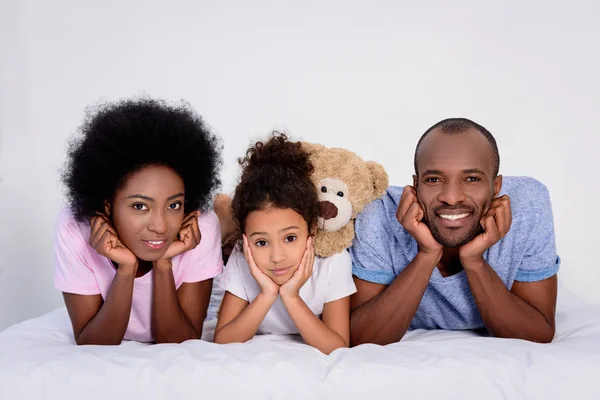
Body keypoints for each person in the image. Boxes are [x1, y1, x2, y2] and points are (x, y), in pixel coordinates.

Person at [350, 118, 559, 345]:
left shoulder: (527, 204)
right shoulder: (380, 212)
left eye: (471, 179)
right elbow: (360, 337)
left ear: (496, 187)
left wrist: (474, 261)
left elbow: (539, 332)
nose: (451, 197)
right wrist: (427, 254)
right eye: (434, 179)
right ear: (415, 186)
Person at [55, 97, 223, 345]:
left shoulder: (200, 225)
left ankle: (227, 211)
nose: (161, 226)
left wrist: (163, 263)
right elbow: (92, 343)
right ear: (107, 203)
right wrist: (126, 269)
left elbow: (180, 341)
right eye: (140, 206)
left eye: (174, 205)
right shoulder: (74, 228)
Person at [214, 134, 356, 354]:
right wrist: (267, 294)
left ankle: (225, 216)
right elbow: (223, 341)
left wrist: (291, 296)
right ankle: (225, 219)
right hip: (237, 241)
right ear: (245, 240)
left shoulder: (334, 262)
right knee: (223, 244)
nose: (277, 257)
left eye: (290, 238)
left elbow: (337, 345)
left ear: (312, 230)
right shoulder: (242, 257)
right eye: (261, 242)